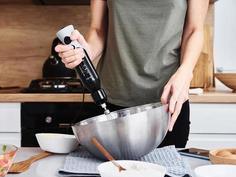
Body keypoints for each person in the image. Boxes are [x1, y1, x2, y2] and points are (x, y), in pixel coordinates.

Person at [55, 0, 209, 148]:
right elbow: (98, 30)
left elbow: (195, 29)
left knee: (168, 172)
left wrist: (186, 70)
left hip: (167, 103)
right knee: (109, 172)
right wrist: (85, 53)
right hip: (111, 101)